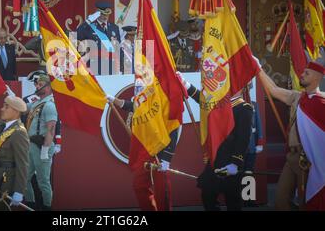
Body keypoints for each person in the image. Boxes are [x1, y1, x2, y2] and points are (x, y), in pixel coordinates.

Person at [256, 59, 325, 211]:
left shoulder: (322, 102)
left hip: (308, 161)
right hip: (291, 157)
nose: (302, 75)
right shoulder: (297, 97)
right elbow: (273, 89)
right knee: (281, 201)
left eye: (306, 73)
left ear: (317, 77)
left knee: (306, 203)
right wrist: (258, 67)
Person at [178, 73, 253, 211]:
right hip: (215, 160)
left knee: (233, 202)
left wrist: (235, 163)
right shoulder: (220, 104)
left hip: (231, 162)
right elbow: (201, 100)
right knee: (207, 196)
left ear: (242, 87)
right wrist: (185, 84)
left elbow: (243, 139)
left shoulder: (244, 108)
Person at [107, 84, 178, 211]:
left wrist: (167, 157)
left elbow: (174, 124)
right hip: (145, 149)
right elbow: (132, 106)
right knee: (139, 185)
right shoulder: (144, 94)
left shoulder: (162, 93)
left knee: (162, 191)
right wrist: (113, 99)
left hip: (160, 150)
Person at [23, 74, 58, 210]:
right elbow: (23, 108)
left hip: (42, 145)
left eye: (39, 84)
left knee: (43, 181)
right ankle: (31, 206)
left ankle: (47, 208)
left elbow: (51, 130)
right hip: (31, 145)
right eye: (36, 84)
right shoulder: (37, 102)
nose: (36, 87)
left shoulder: (49, 105)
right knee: (25, 178)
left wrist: (45, 149)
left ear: (48, 87)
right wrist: (13, 97)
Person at [76, 1, 121, 75]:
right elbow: (77, 35)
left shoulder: (114, 28)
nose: (105, 17)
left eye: (107, 14)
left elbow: (118, 48)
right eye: (102, 14)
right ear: (97, 13)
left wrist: (120, 67)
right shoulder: (90, 27)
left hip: (111, 66)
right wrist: (87, 22)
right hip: (95, 66)